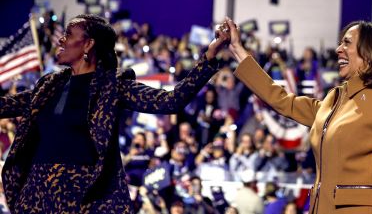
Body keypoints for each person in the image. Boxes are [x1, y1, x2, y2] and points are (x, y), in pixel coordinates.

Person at [0, 14, 230, 213]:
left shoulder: (113, 86)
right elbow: (5, 105)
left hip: (83, 199)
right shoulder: (49, 85)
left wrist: (209, 58)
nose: (61, 39)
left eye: (69, 34)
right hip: (36, 196)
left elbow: (171, 101)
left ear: (88, 44)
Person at [223, 18, 372, 214]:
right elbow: (283, 101)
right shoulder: (335, 99)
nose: (338, 49)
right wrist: (237, 49)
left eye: (347, 43)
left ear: (370, 52)